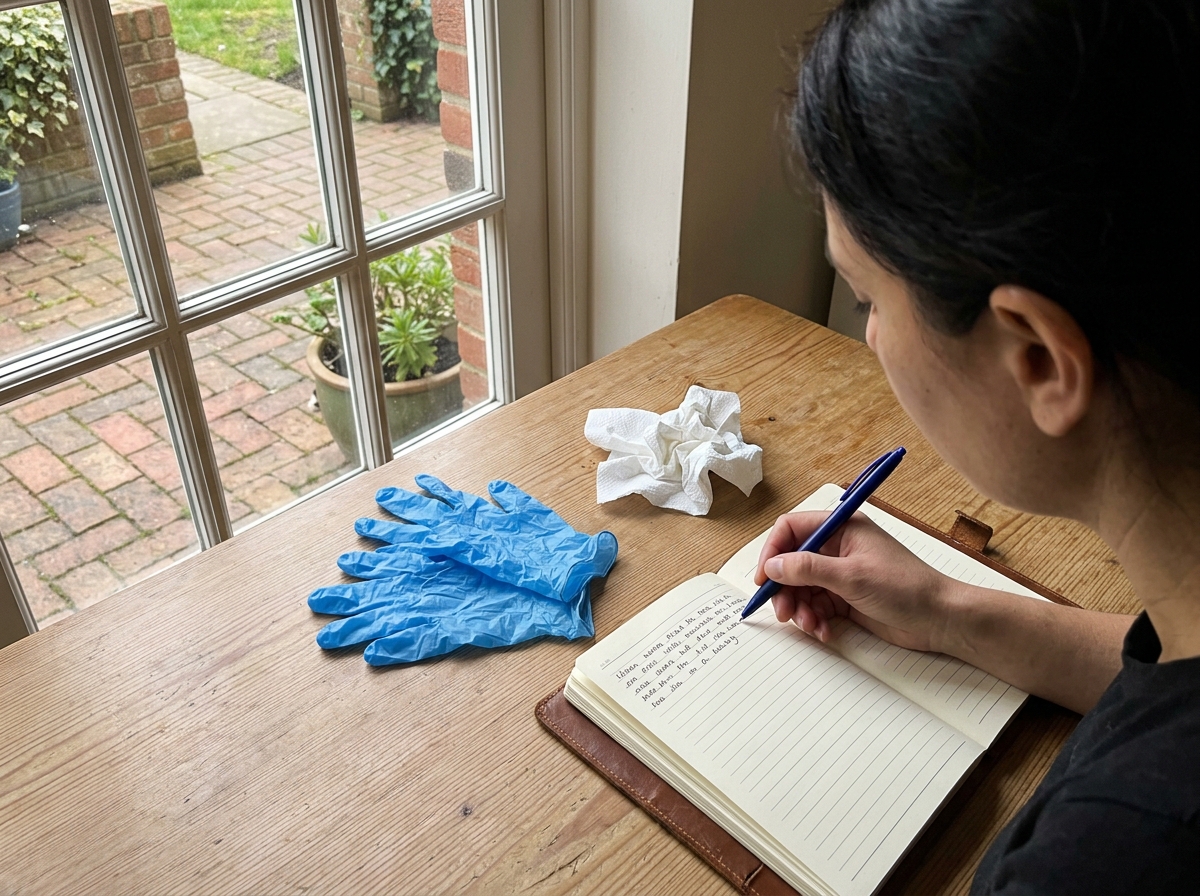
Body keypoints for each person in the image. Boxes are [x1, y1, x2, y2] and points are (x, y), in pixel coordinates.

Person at [754, 0, 1199, 892]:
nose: (871, 338)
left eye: (870, 299)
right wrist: (948, 611)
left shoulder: (1107, 859)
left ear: (1038, 358)